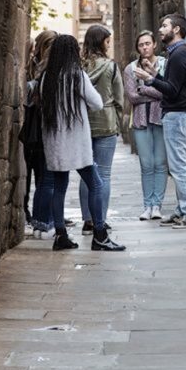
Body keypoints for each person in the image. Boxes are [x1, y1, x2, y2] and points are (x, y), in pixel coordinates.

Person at [40, 34, 125, 251]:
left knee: (59, 188)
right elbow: (97, 103)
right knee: (95, 184)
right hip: (76, 141)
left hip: (54, 142)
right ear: (72, 53)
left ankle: (61, 236)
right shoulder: (77, 76)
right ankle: (100, 235)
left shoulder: (46, 78)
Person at [134, 14, 186, 229]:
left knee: (179, 166)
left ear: (176, 30)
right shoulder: (176, 53)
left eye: (165, 26)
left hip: (178, 114)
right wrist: (156, 75)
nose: (160, 29)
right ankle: (182, 209)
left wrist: (150, 79)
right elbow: (173, 86)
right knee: (176, 165)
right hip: (176, 113)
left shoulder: (180, 54)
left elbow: (172, 91)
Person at [80, 25, 124, 235]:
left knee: (85, 174)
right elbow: (119, 97)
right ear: (101, 42)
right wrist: (118, 119)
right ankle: (101, 220)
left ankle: (87, 220)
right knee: (104, 174)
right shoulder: (111, 67)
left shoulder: (80, 67)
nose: (109, 45)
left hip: (83, 123)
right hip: (106, 121)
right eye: (107, 41)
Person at [122, 30, 167, 220]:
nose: (145, 47)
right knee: (146, 164)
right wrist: (154, 89)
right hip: (140, 120)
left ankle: (157, 205)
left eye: (148, 43)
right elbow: (132, 96)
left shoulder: (164, 64)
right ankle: (147, 205)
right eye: (141, 45)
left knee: (160, 163)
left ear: (154, 44)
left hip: (160, 118)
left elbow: (167, 92)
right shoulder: (130, 69)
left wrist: (145, 87)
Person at [24, 30, 58, 238]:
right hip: (41, 131)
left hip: (34, 132)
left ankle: (40, 222)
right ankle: (46, 223)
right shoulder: (45, 71)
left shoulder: (35, 69)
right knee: (47, 180)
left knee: (42, 180)